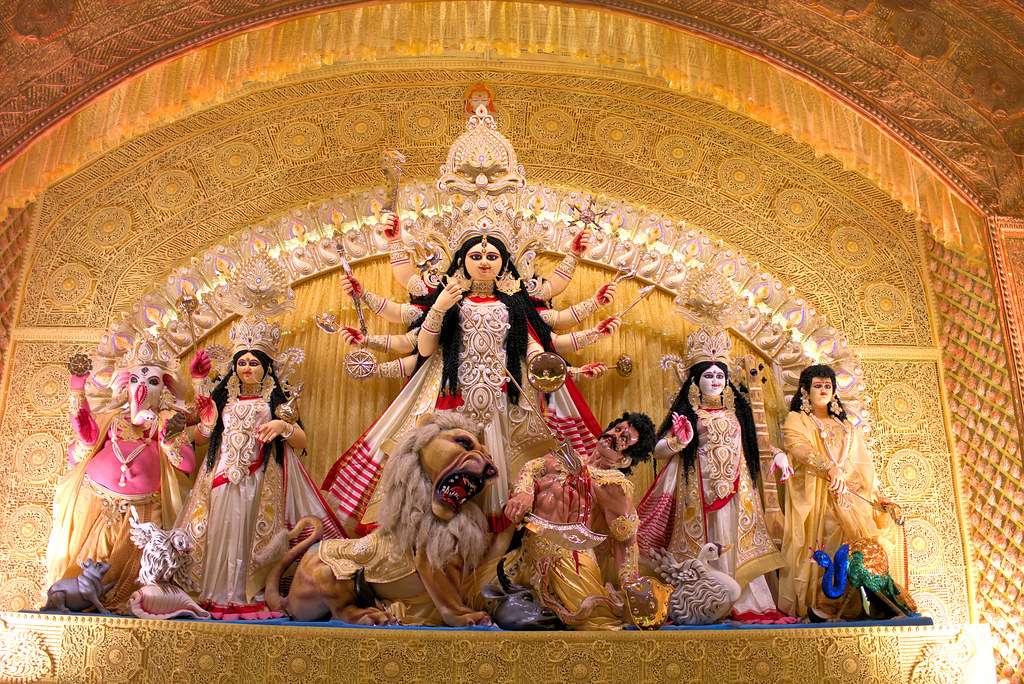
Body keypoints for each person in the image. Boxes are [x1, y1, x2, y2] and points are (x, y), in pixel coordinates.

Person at [322, 106, 624, 534]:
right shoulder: (448, 296)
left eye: (492, 254)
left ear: (504, 262)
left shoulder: (516, 303)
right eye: (476, 254)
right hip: (451, 395)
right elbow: (422, 345)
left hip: (506, 400)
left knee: (514, 482)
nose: (484, 260)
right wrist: (409, 278)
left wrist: (586, 317)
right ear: (462, 259)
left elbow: (541, 345)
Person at [176, 313, 342, 620]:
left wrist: (282, 426)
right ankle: (214, 593)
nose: (247, 368)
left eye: (254, 362)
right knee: (220, 533)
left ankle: (244, 594)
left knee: (248, 535)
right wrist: (202, 397)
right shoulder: (223, 400)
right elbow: (200, 437)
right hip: (222, 478)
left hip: (258, 479)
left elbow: (302, 441)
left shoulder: (274, 402)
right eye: (242, 362)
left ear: (266, 367)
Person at [637, 327, 793, 623]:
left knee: (734, 539)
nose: (715, 381)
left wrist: (779, 456)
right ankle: (700, 602)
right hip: (697, 491)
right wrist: (678, 441)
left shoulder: (737, 414)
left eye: (720, 375)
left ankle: (744, 601)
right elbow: (657, 450)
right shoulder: (688, 414)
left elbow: (757, 444)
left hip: (736, 489)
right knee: (707, 543)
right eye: (708, 375)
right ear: (695, 381)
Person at [45, 335, 195, 611]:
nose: (142, 387)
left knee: (133, 569)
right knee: (87, 561)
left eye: (152, 382)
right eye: (136, 380)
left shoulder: (167, 423)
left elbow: (187, 465)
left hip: (144, 509)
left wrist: (166, 437)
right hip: (96, 501)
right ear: (126, 385)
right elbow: (85, 441)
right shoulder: (112, 420)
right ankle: (74, 601)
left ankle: (124, 605)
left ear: (164, 389)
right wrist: (78, 390)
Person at [503, 412, 657, 629]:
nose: (615, 436)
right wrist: (524, 492)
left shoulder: (613, 485)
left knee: (594, 622)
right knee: (488, 597)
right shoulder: (567, 458)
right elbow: (532, 467)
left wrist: (630, 584)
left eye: (624, 439)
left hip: (569, 561)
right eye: (617, 429)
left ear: (626, 458)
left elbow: (625, 540)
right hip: (526, 554)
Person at [778, 364, 897, 618]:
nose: (823, 390)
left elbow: (862, 465)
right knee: (829, 546)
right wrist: (829, 468)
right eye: (817, 386)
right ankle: (823, 604)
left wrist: (874, 495)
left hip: (852, 497)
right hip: (819, 494)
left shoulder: (847, 427)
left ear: (834, 392)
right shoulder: (797, 420)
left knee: (862, 547)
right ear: (805, 391)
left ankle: (862, 604)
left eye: (827, 386)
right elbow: (798, 447)